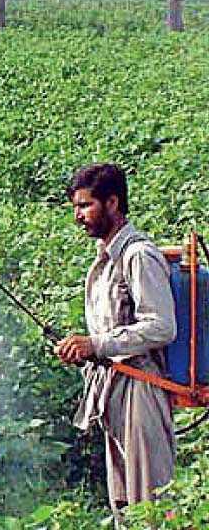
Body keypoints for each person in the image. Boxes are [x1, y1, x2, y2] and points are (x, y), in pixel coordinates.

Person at [55, 162, 176, 527]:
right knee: (124, 506)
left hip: (142, 388)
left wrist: (97, 344)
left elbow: (161, 326)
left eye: (86, 206)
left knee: (151, 506)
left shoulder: (138, 255)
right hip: (113, 389)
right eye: (75, 208)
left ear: (112, 203)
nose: (78, 217)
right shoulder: (105, 259)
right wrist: (86, 350)